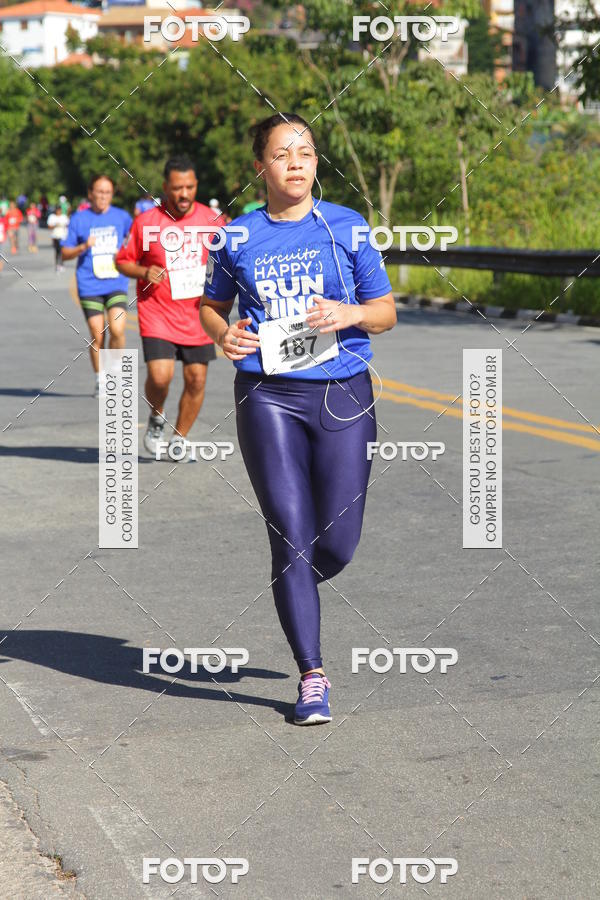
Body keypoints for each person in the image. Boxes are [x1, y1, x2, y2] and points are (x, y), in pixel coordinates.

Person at [200, 113, 396, 725]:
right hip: (268, 396)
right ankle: (312, 676)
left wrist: (349, 313)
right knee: (289, 532)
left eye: (306, 152)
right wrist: (223, 335)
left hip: (343, 393)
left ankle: (299, 580)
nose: (295, 162)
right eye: (282, 153)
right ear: (260, 165)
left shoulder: (348, 228)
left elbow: (386, 312)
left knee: (335, 543)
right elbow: (212, 307)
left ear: (316, 163)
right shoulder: (237, 236)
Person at [115, 156, 224, 461]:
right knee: (161, 377)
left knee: (196, 379)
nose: (184, 194)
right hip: (157, 313)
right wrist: (143, 273)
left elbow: (230, 261)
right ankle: (156, 415)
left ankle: (179, 438)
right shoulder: (146, 222)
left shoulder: (212, 221)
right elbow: (122, 261)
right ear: (165, 187)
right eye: (177, 188)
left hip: (198, 315)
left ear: (196, 185)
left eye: (189, 187)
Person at [61, 175, 132, 396]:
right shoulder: (79, 219)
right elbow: (64, 253)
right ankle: (101, 379)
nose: (103, 196)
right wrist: (83, 246)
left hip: (116, 282)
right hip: (89, 284)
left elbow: (136, 240)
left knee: (118, 329)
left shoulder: (122, 217)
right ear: (91, 193)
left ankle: (115, 373)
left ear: (112, 194)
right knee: (97, 333)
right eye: (99, 192)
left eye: (107, 192)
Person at [47, 203, 70, 272]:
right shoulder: (52, 217)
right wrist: (55, 225)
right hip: (55, 236)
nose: (58, 211)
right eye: (57, 210)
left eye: (59, 210)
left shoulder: (64, 217)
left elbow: (68, 225)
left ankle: (62, 264)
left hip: (63, 236)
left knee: (62, 251)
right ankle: (57, 264)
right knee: (57, 251)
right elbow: (49, 226)